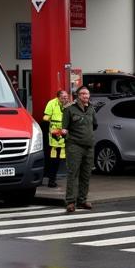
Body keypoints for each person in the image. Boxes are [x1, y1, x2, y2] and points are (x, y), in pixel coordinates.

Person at [61, 85, 97, 214]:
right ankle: (71, 202)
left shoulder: (91, 109)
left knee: (86, 174)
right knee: (73, 174)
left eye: (87, 94)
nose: (86, 96)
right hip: (74, 146)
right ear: (78, 96)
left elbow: (95, 125)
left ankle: (82, 200)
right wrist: (64, 133)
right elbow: (64, 128)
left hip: (89, 146)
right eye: (83, 94)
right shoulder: (69, 109)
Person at [42, 88, 70, 187]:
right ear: (58, 97)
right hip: (54, 135)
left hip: (64, 134)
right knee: (53, 159)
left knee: (59, 159)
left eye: (66, 97)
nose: (65, 99)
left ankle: (52, 179)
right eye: (63, 98)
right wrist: (53, 127)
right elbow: (45, 118)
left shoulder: (68, 105)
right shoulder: (52, 103)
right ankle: (50, 179)